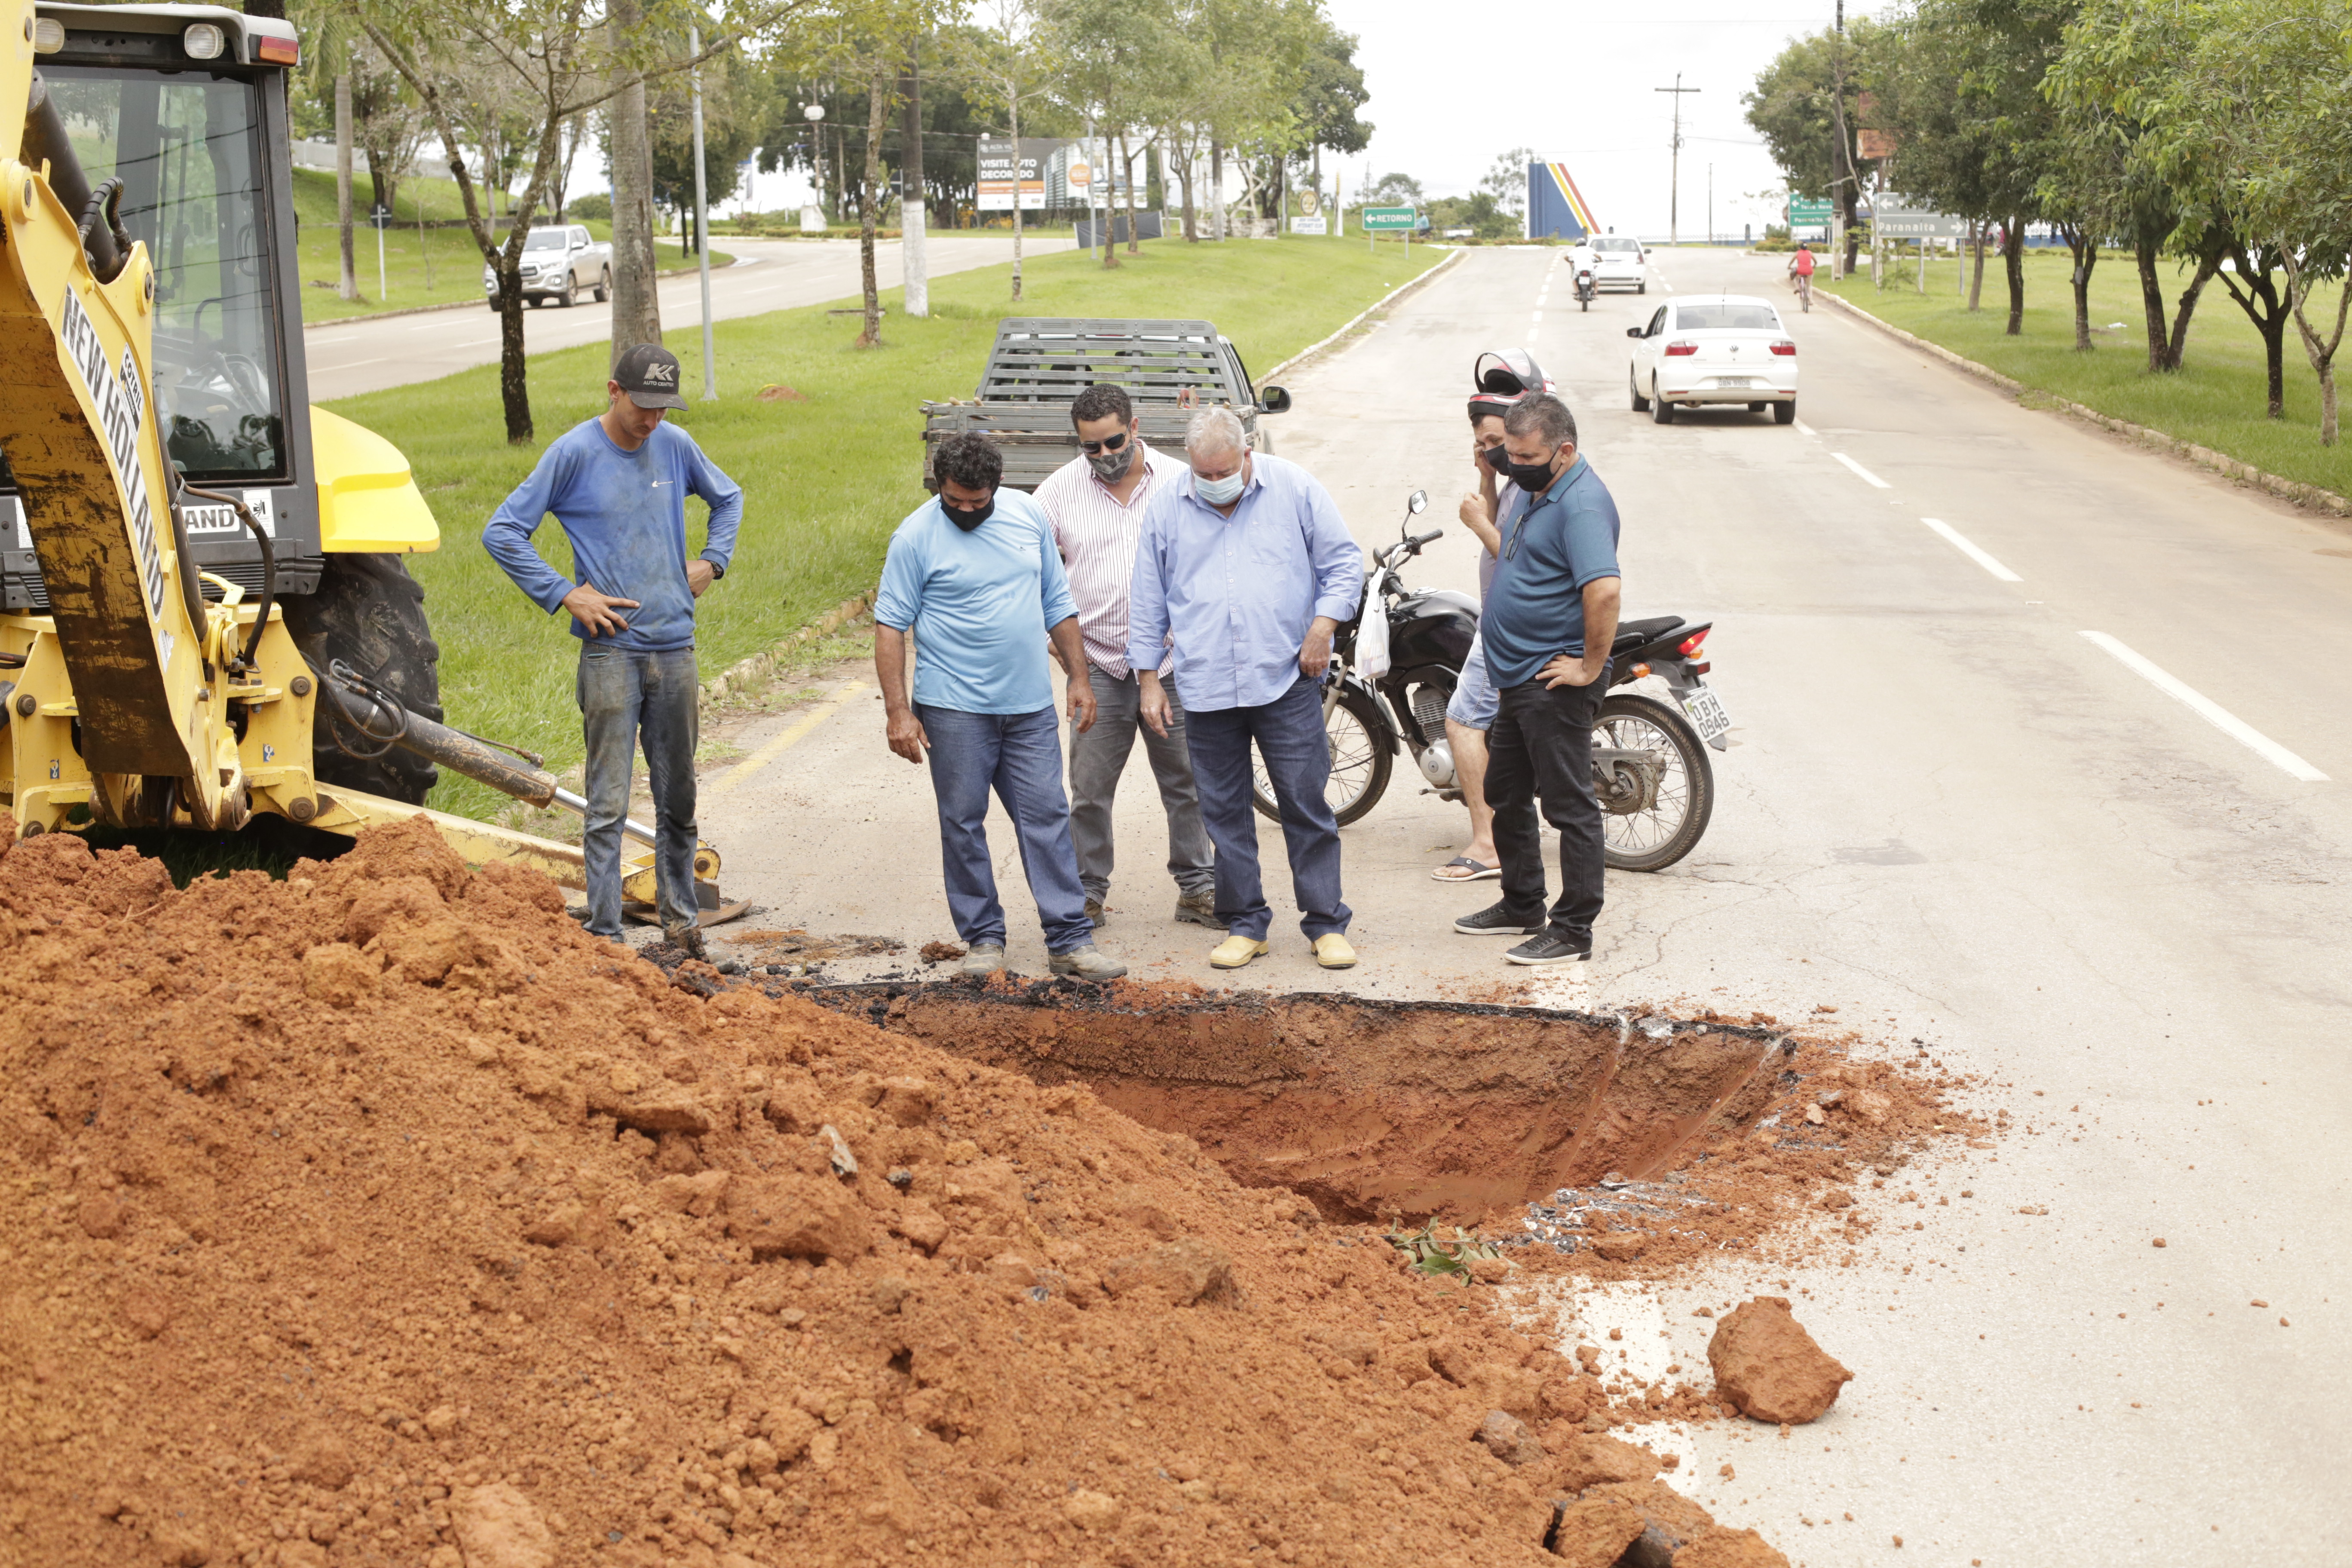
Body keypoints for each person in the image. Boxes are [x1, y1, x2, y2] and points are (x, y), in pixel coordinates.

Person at [483, 343, 739, 954]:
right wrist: (566, 594)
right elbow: (503, 531)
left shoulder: (675, 446)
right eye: (642, 407)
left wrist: (713, 563)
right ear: (613, 391)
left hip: (675, 649)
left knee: (679, 798)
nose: (652, 421)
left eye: (663, 409)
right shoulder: (573, 453)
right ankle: (604, 935)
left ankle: (682, 926)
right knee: (608, 802)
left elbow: (729, 498)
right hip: (611, 655)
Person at [873, 432, 1127, 982]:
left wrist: (1080, 679)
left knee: (1048, 818)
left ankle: (1070, 939)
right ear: (939, 487)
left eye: (977, 501)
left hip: (1029, 707)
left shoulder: (1026, 515)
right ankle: (983, 939)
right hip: (953, 709)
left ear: (996, 486)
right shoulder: (915, 538)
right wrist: (898, 711)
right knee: (962, 823)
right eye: (954, 501)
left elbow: (1057, 601)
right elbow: (891, 625)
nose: (966, 511)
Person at [1129, 408, 1364, 971]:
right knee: (1223, 811)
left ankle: (1326, 921)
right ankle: (1246, 922)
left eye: (1224, 471)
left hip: (1285, 678)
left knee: (1305, 803)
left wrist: (1322, 626)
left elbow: (1343, 562)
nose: (1215, 483)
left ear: (1246, 454)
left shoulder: (1295, 488)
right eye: (1203, 474)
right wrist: (1148, 682)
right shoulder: (1166, 508)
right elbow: (1147, 598)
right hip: (1205, 685)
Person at [1032, 383, 1219, 932]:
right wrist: (1064, 655)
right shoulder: (1056, 494)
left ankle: (1199, 888)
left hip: (1172, 667)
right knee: (1089, 791)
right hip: (1099, 670)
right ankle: (1085, 893)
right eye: (1092, 448)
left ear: (1134, 428)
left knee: (1188, 784)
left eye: (1114, 442)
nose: (1106, 456)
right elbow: (1036, 576)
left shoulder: (1182, 485)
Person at [1454, 393, 1622, 966]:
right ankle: (1522, 903)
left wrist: (1589, 667)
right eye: (1510, 453)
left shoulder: (1581, 507)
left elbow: (1603, 590)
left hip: (1552, 680)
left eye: (1525, 455)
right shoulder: (1536, 490)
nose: (1515, 464)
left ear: (1565, 450)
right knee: (1504, 790)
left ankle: (1573, 928)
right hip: (1516, 675)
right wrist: (1490, 477)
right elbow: (1522, 563)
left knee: (1569, 806)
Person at [1435, 350, 1549, 884]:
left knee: (1462, 720)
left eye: (1497, 444)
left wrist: (1480, 526)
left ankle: (1487, 843)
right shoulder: (1515, 481)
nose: (1490, 453)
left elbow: (1525, 561)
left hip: (1508, 629)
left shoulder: (1533, 485)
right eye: (1481, 445)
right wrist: (1486, 479)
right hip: (1501, 619)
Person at [1788, 242, 1816, 311]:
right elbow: (1815, 261)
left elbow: (1792, 261)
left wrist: (1789, 266)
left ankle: (1798, 288)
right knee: (1809, 285)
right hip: (1810, 271)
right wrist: (1814, 266)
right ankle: (1810, 301)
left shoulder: (1797, 253)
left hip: (1800, 270)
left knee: (1796, 279)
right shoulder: (1810, 253)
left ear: (1800, 248)